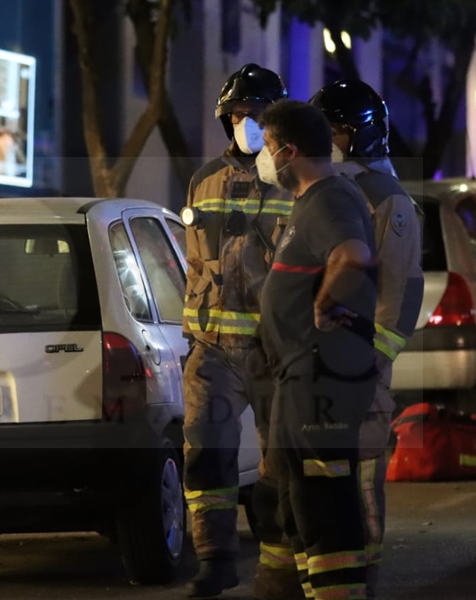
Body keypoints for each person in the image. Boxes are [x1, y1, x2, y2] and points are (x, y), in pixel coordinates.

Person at [178, 63, 297, 599]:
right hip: (213, 349)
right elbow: (195, 264)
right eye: (237, 115)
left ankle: (280, 561)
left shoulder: (298, 180)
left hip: (274, 350)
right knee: (206, 454)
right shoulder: (204, 179)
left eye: (255, 115)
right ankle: (215, 559)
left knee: (280, 463)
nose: (244, 124)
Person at [255, 99, 379, 600]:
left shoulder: (330, 199)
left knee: (323, 502)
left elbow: (353, 257)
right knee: (295, 500)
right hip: (298, 377)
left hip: (319, 378)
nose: (265, 159)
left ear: (290, 150)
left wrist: (324, 304)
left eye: (267, 147)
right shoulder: (309, 201)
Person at [310, 79, 424, 599]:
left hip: (359, 372)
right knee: (320, 489)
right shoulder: (320, 194)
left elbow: (396, 298)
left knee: (361, 492)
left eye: (332, 131)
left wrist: (366, 362)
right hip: (313, 372)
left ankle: (363, 586)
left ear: (361, 136)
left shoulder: (388, 201)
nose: (323, 140)